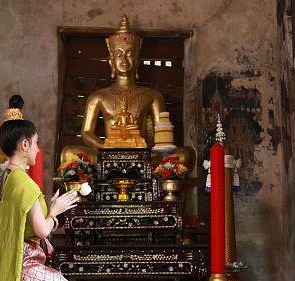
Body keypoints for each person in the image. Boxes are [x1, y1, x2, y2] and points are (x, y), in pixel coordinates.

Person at [0, 95, 91, 281]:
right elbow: (42, 231)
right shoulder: (25, 183)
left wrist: (47, 208)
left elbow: (21, 219)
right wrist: (55, 211)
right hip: (24, 265)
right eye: (37, 142)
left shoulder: (3, 178)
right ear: (25, 144)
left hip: (5, 266)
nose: (38, 150)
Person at [61, 14, 196, 169]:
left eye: (130, 54)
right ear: (111, 61)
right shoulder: (98, 96)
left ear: (138, 60)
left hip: (142, 154)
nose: (124, 59)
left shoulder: (153, 96)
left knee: (186, 154)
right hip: (108, 153)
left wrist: (140, 148)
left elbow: (161, 136)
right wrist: (107, 146)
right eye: (119, 54)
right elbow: (86, 133)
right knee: (68, 153)